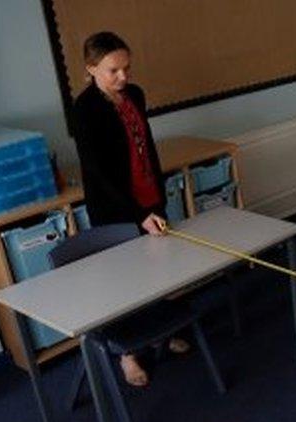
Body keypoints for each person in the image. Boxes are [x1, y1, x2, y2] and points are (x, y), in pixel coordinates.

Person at [72, 31, 188, 387]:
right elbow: (100, 173)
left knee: (159, 271)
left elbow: (146, 146)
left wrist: (158, 192)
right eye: (113, 71)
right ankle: (127, 355)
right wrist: (138, 213)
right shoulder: (84, 110)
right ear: (91, 69)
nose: (124, 77)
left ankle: (160, 334)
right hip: (115, 208)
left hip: (149, 196)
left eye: (127, 68)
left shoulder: (134, 95)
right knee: (127, 283)